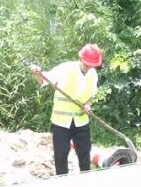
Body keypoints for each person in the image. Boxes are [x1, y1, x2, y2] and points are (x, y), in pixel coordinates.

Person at [30, 44, 103, 175]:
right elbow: (44, 81)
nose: (89, 67)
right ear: (80, 58)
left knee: (84, 154)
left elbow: (91, 94)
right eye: (87, 64)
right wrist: (37, 74)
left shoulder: (93, 74)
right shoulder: (65, 69)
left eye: (92, 65)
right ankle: (63, 184)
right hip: (61, 122)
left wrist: (88, 105)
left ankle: (87, 182)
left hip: (81, 121)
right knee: (61, 154)